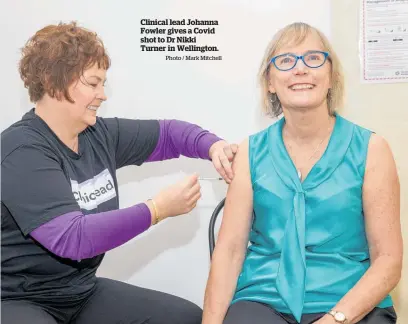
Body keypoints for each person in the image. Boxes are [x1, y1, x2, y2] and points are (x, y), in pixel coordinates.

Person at [1, 22, 238, 324]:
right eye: (93, 83)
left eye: (103, 83)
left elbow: (168, 134)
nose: (103, 94)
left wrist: (213, 146)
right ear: (51, 81)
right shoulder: (20, 151)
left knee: (188, 319)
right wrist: (156, 209)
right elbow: (73, 239)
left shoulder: (99, 135)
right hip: (19, 300)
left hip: (80, 292)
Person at [202, 22, 402, 324]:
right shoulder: (249, 152)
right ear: (270, 81)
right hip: (264, 300)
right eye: (285, 61)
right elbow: (229, 252)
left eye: (313, 58)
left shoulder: (373, 149)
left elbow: (388, 260)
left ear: (331, 76)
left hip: (350, 300)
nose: (300, 70)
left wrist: (336, 319)